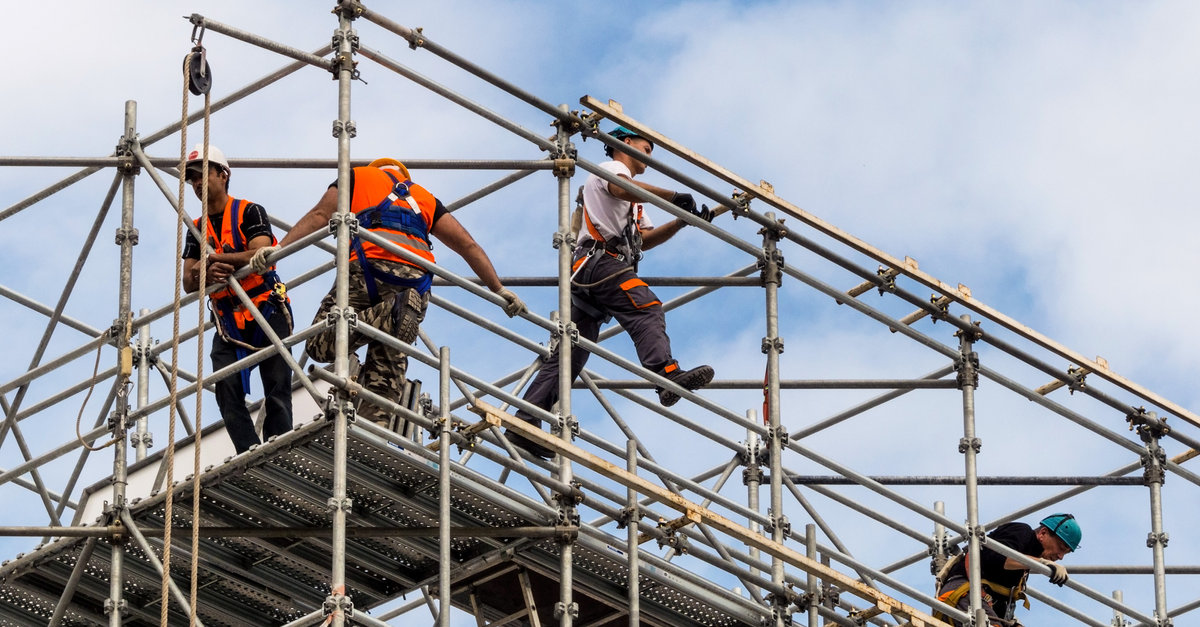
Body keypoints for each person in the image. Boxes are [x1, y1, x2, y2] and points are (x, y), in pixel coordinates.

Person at [253, 158, 526, 430]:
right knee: (386, 373)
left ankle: (392, 312)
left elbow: (320, 215)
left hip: (369, 268)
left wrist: (279, 250)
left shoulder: (358, 177)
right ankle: (373, 436)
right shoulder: (425, 198)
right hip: (416, 285)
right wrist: (499, 290)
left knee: (318, 343)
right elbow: (468, 244)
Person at [507, 126, 718, 459]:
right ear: (624, 143)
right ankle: (665, 374)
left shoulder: (635, 200)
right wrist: (673, 196)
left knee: (571, 353)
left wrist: (680, 221)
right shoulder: (613, 171)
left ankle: (524, 421)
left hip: (595, 269)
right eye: (644, 148)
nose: (648, 155)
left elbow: (644, 238)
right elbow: (622, 189)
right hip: (600, 262)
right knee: (646, 307)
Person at [181, 144, 294, 454]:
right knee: (227, 389)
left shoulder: (249, 211)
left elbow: (262, 254)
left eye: (202, 175)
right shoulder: (196, 228)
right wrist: (206, 269)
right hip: (228, 318)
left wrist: (220, 259)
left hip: (265, 307)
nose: (196, 184)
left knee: (276, 385)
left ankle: (280, 451)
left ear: (223, 174)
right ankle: (249, 452)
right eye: (191, 179)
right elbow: (188, 282)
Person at [933, 513, 1080, 627]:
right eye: (1061, 548)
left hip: (979, 603)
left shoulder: (1024, 564)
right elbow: (999, 558)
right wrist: (1042, 563)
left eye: (1065, 553)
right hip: (962, 593)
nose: (1060, 556)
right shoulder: (1022, 532)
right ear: (1043, 533)